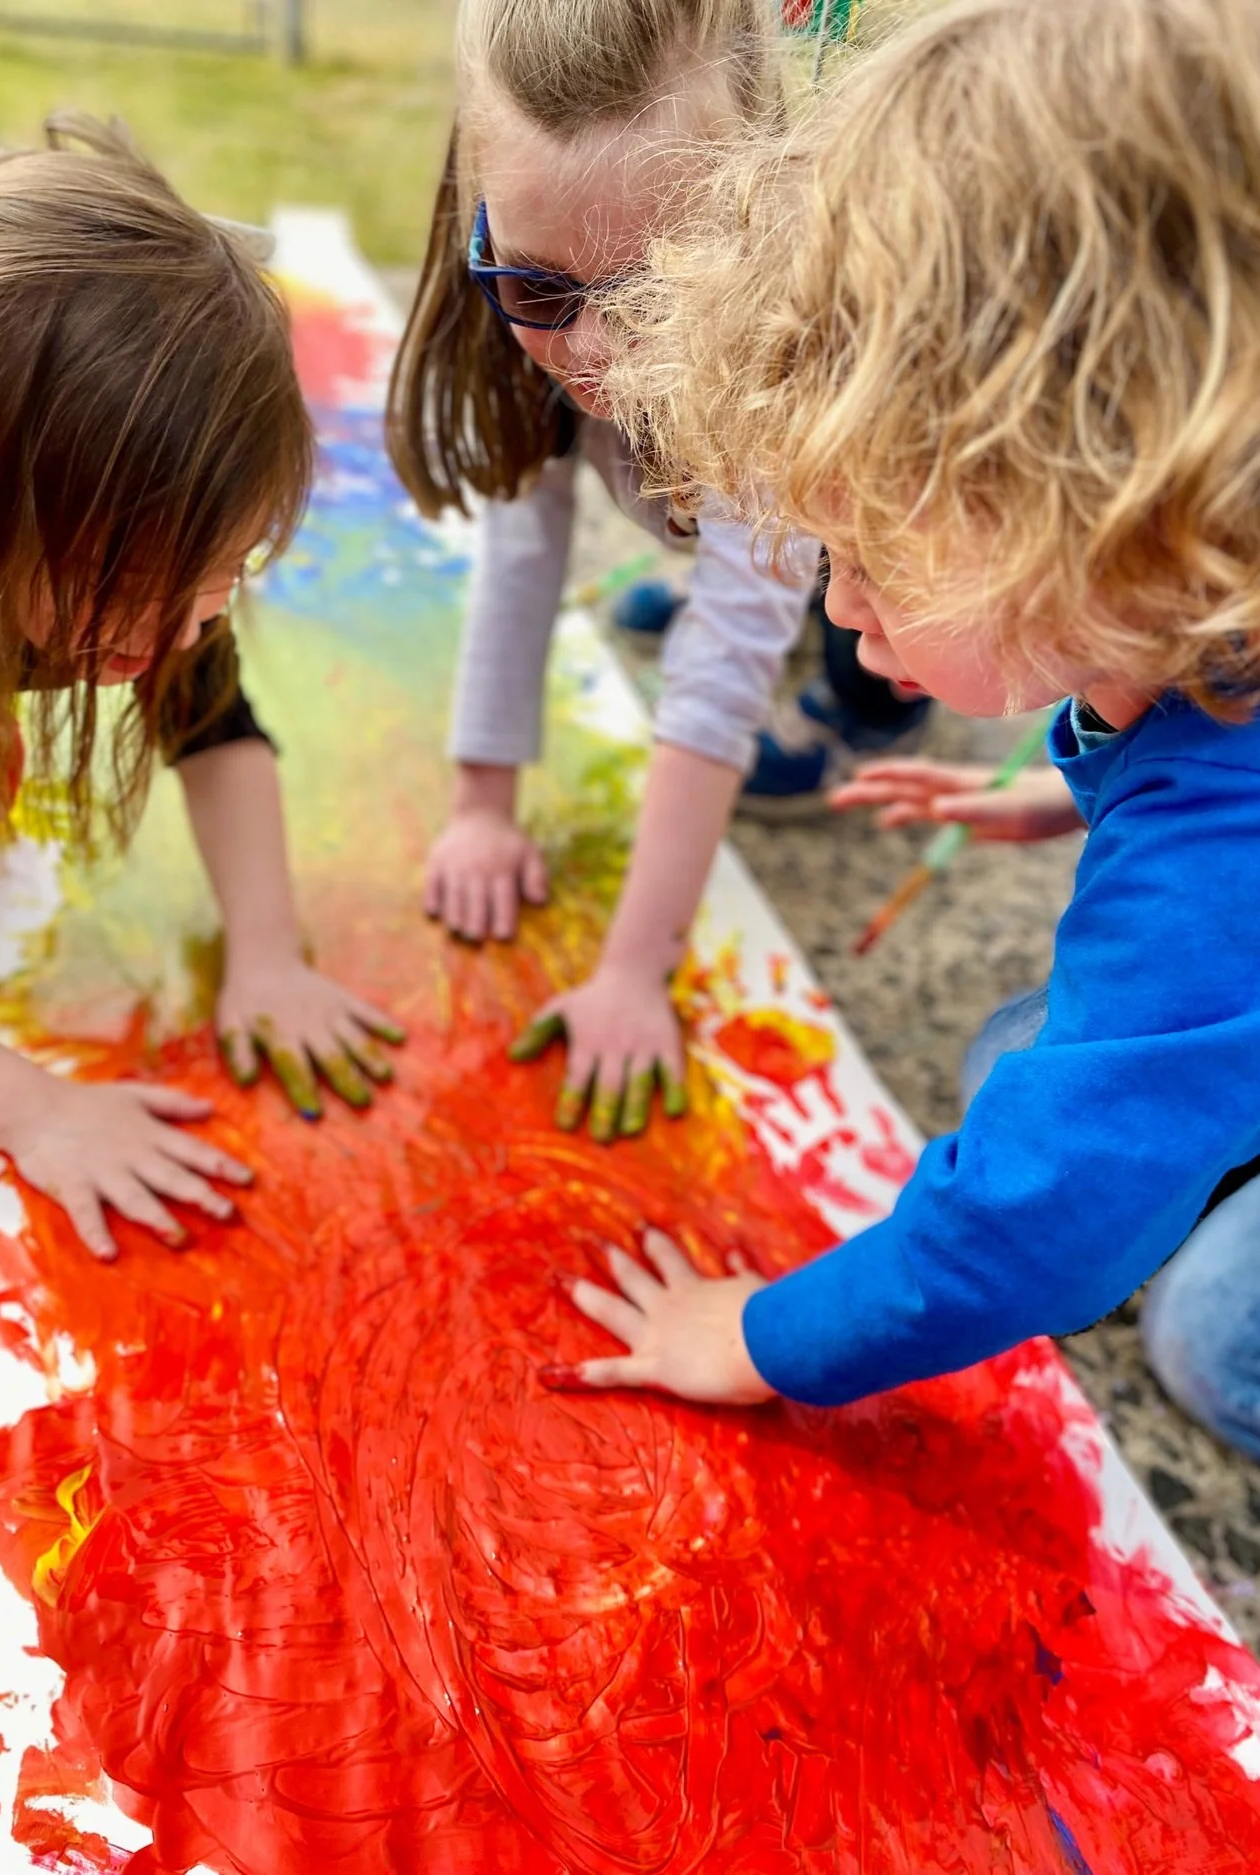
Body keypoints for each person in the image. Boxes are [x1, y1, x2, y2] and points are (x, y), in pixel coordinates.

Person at [538, 0, 1260, 1451]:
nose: (841, 609)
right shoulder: (1189, 617)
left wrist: (755, 1337)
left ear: (1090, 518)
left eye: (871, 554)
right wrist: (1067, 797)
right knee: (1025, 1066)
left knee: (1204, 1332)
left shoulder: (1207, 873)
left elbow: (1028, 1238)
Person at [0, 120, 402, 1264]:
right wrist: (35, 1109)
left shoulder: (144, 564)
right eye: (156, 588)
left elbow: (218, 727)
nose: (195, 624)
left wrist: (265, 955)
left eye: (231, 569)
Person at [385, 0, 920, 1143]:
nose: (590, 352)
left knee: (835, 589)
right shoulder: (521, 271)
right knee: (716, 541)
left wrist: (635, 969)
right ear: (476, 212)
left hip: (849, 498)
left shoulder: (787, 344)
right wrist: (481, 804)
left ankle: (859, 706)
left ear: (752, 209)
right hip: (706, 497)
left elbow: (723, 666)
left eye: (651, 297)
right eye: (538, 291)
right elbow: (521, 561)